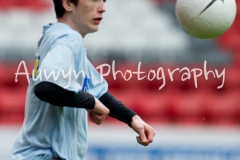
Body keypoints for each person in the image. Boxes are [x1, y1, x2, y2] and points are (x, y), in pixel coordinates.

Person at [10, 0, 155, 159]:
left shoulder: (60, 39)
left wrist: (133, 119)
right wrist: (91, 103)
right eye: (94, 0)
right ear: (68, 4)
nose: (103, 8)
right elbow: (46, 88)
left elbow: (98, 93)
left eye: (104, 1)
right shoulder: (68, 39)